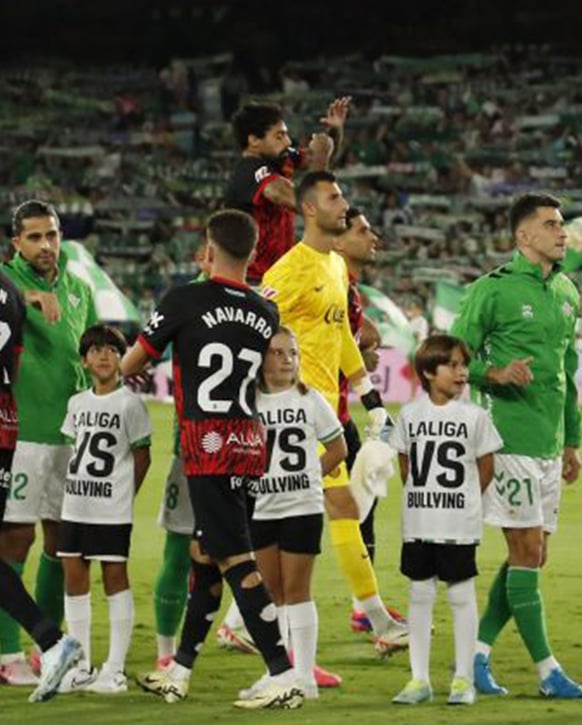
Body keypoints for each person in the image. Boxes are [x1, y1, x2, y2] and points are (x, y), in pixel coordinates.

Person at [123, 209, 302, 709]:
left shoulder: (186, 298)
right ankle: (178, 671)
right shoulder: (265, 311)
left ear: (208, 247)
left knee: (234, 557)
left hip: (207, 444)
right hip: (249, 440)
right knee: (205, 560)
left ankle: (282, 672)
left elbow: (133, 362)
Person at [260, 171, 409, 656]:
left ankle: (252, 625)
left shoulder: (335, 268)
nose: (342, 203)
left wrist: (370, 400)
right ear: (308, 209)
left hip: (321, 413)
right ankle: (374, 618)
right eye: (333, 196)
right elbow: (255, 334)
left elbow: (344, 337)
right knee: (313, 518)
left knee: (333, 512)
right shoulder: (288, 272)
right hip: (290, 419)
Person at [451, 192, 582, 699]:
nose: (562, 232)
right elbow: (451, 355)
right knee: (527, 551)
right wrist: (494, 373)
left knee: (534, 554)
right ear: (523, 236)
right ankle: (548, 670)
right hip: (505, 437)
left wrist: (571, 439)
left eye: (562, 224)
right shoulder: (494, 290)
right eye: (551, 225)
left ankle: (476, 656)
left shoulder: (567, 291)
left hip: (548, 440)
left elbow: (567, 374)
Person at [0, 200, 97, 686]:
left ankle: (50, 645)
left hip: (71, 435)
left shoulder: (79, 288)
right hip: (23, 434)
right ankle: (5, 652)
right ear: (15, 243)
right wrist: (24, 295)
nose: (45, 246)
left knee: (63, 542)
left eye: (52, 235)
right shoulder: (5, 284)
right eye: (34, 237)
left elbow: (92, 347)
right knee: (15, 538)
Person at [388, 334, 503, 706]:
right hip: (419, 522)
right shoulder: (409, 414)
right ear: (427, 371)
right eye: (451, 365)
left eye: (463, 365)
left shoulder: (475, 416)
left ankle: (463, 679)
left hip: (457, 524)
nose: (461, 371)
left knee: (459, 593)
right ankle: (419, 680)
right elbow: (404, 463)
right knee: (420, 594)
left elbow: (486, 467)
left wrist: (463, 500)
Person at [244, 327, 347, 700]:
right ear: (262, 358)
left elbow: (338, 447)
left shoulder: (310, 398)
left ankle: (304, 675)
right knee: (272, 593)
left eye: (292, 352)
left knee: (298, 590)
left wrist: (309, 475)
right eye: (278, 352)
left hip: (302, 506)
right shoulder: (249, 400)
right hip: (261, 507)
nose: (287, 359)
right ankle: (278, 673)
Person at [55, 325, 151, 694]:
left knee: (115, 579)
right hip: (75, 504)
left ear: (121, 358)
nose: (104, 355)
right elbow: (73, 450)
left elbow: (142, 456)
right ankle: (80, 665)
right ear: (84, 360)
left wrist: (126, 496)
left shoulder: (130, 403)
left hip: (110, 508)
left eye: (112, 349)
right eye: (95, 350)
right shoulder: (77, 403)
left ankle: (115, 668)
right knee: (74, 580)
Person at [332, 207, 394, 635]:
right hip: (312, 418)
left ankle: (365, 607)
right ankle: (241, 619)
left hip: (334, 414)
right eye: (362, 229)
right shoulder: (328, 281)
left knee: (363, 503)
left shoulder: (349, 290)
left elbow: (344, 344)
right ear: (338, 241)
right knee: (285, 520)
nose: (373, 237)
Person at [152, 244, 212, 668]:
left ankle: (274, 652)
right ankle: (165, 652)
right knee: (178, 551)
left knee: (242, 556)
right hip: (189, 449)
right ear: (199, 255)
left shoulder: (253, 298)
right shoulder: (182, 300)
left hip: (240, 453)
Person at [225, 97, 349, 285]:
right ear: (254, 140)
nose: (288, 141)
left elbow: (316, 158)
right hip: (254, 280)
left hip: (278, 276)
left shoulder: (280, 158)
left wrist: (334, 130)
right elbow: (306, 203)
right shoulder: (250, 170)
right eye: (279, 136)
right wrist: (322, 154)